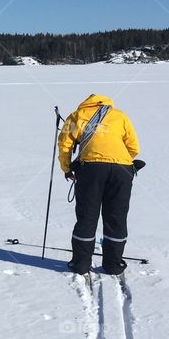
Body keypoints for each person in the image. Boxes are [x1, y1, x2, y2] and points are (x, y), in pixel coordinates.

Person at [57, 94, 140, 275]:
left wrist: (66, 168)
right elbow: (134, 147)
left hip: (90, 170)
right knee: (116, 216)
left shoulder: (76, 116)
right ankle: (113, 265)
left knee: (87, 216)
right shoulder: (120, 116)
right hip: (122, 170)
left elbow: (64, 145)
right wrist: (117, 161)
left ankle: (80, 264)